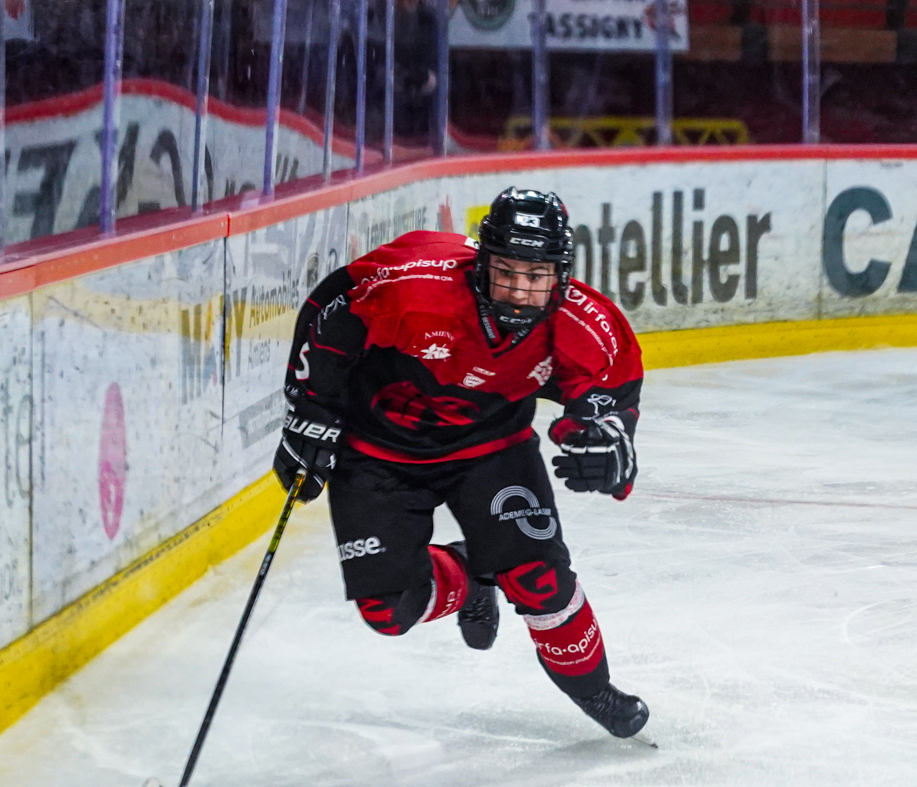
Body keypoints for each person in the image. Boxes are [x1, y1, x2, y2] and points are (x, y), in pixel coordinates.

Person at [273, 187, 650, 739]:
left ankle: (594, 690)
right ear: (481, 264)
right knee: (386, 610)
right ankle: (470, 575)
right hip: (377, 448)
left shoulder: (585, 323)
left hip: (492, 449)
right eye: (506, 272)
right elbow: (331, 313)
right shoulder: (412, 285)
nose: (519, 292)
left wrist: (607, 447)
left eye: (536, 276)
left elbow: (609, 400)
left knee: (538, 578)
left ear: (561, 274)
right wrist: (310, 411)